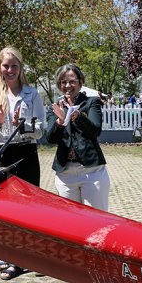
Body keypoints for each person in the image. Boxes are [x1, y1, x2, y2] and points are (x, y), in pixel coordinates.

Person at [0, 46, 44, 280]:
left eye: (14, 66)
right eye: (5, 66)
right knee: (4, 208)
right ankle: (7, 254)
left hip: (25, 153)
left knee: (27, 207)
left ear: (20, 67)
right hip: (1, 153)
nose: (9, 70)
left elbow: (40, 130)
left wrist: (22, 125)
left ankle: (23, 256)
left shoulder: (32, 93)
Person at [47, 64, 110, 211]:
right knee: (70, 220)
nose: (67, 85)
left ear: (80, 82)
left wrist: (77, 116)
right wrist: (60, 122)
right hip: (65, 173)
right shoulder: (55, 107)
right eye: (63, 82)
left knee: (96, 218)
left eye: (72, 81)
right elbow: (50, 138)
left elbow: (95, 130)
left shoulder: (91, 102)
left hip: (91, 172)